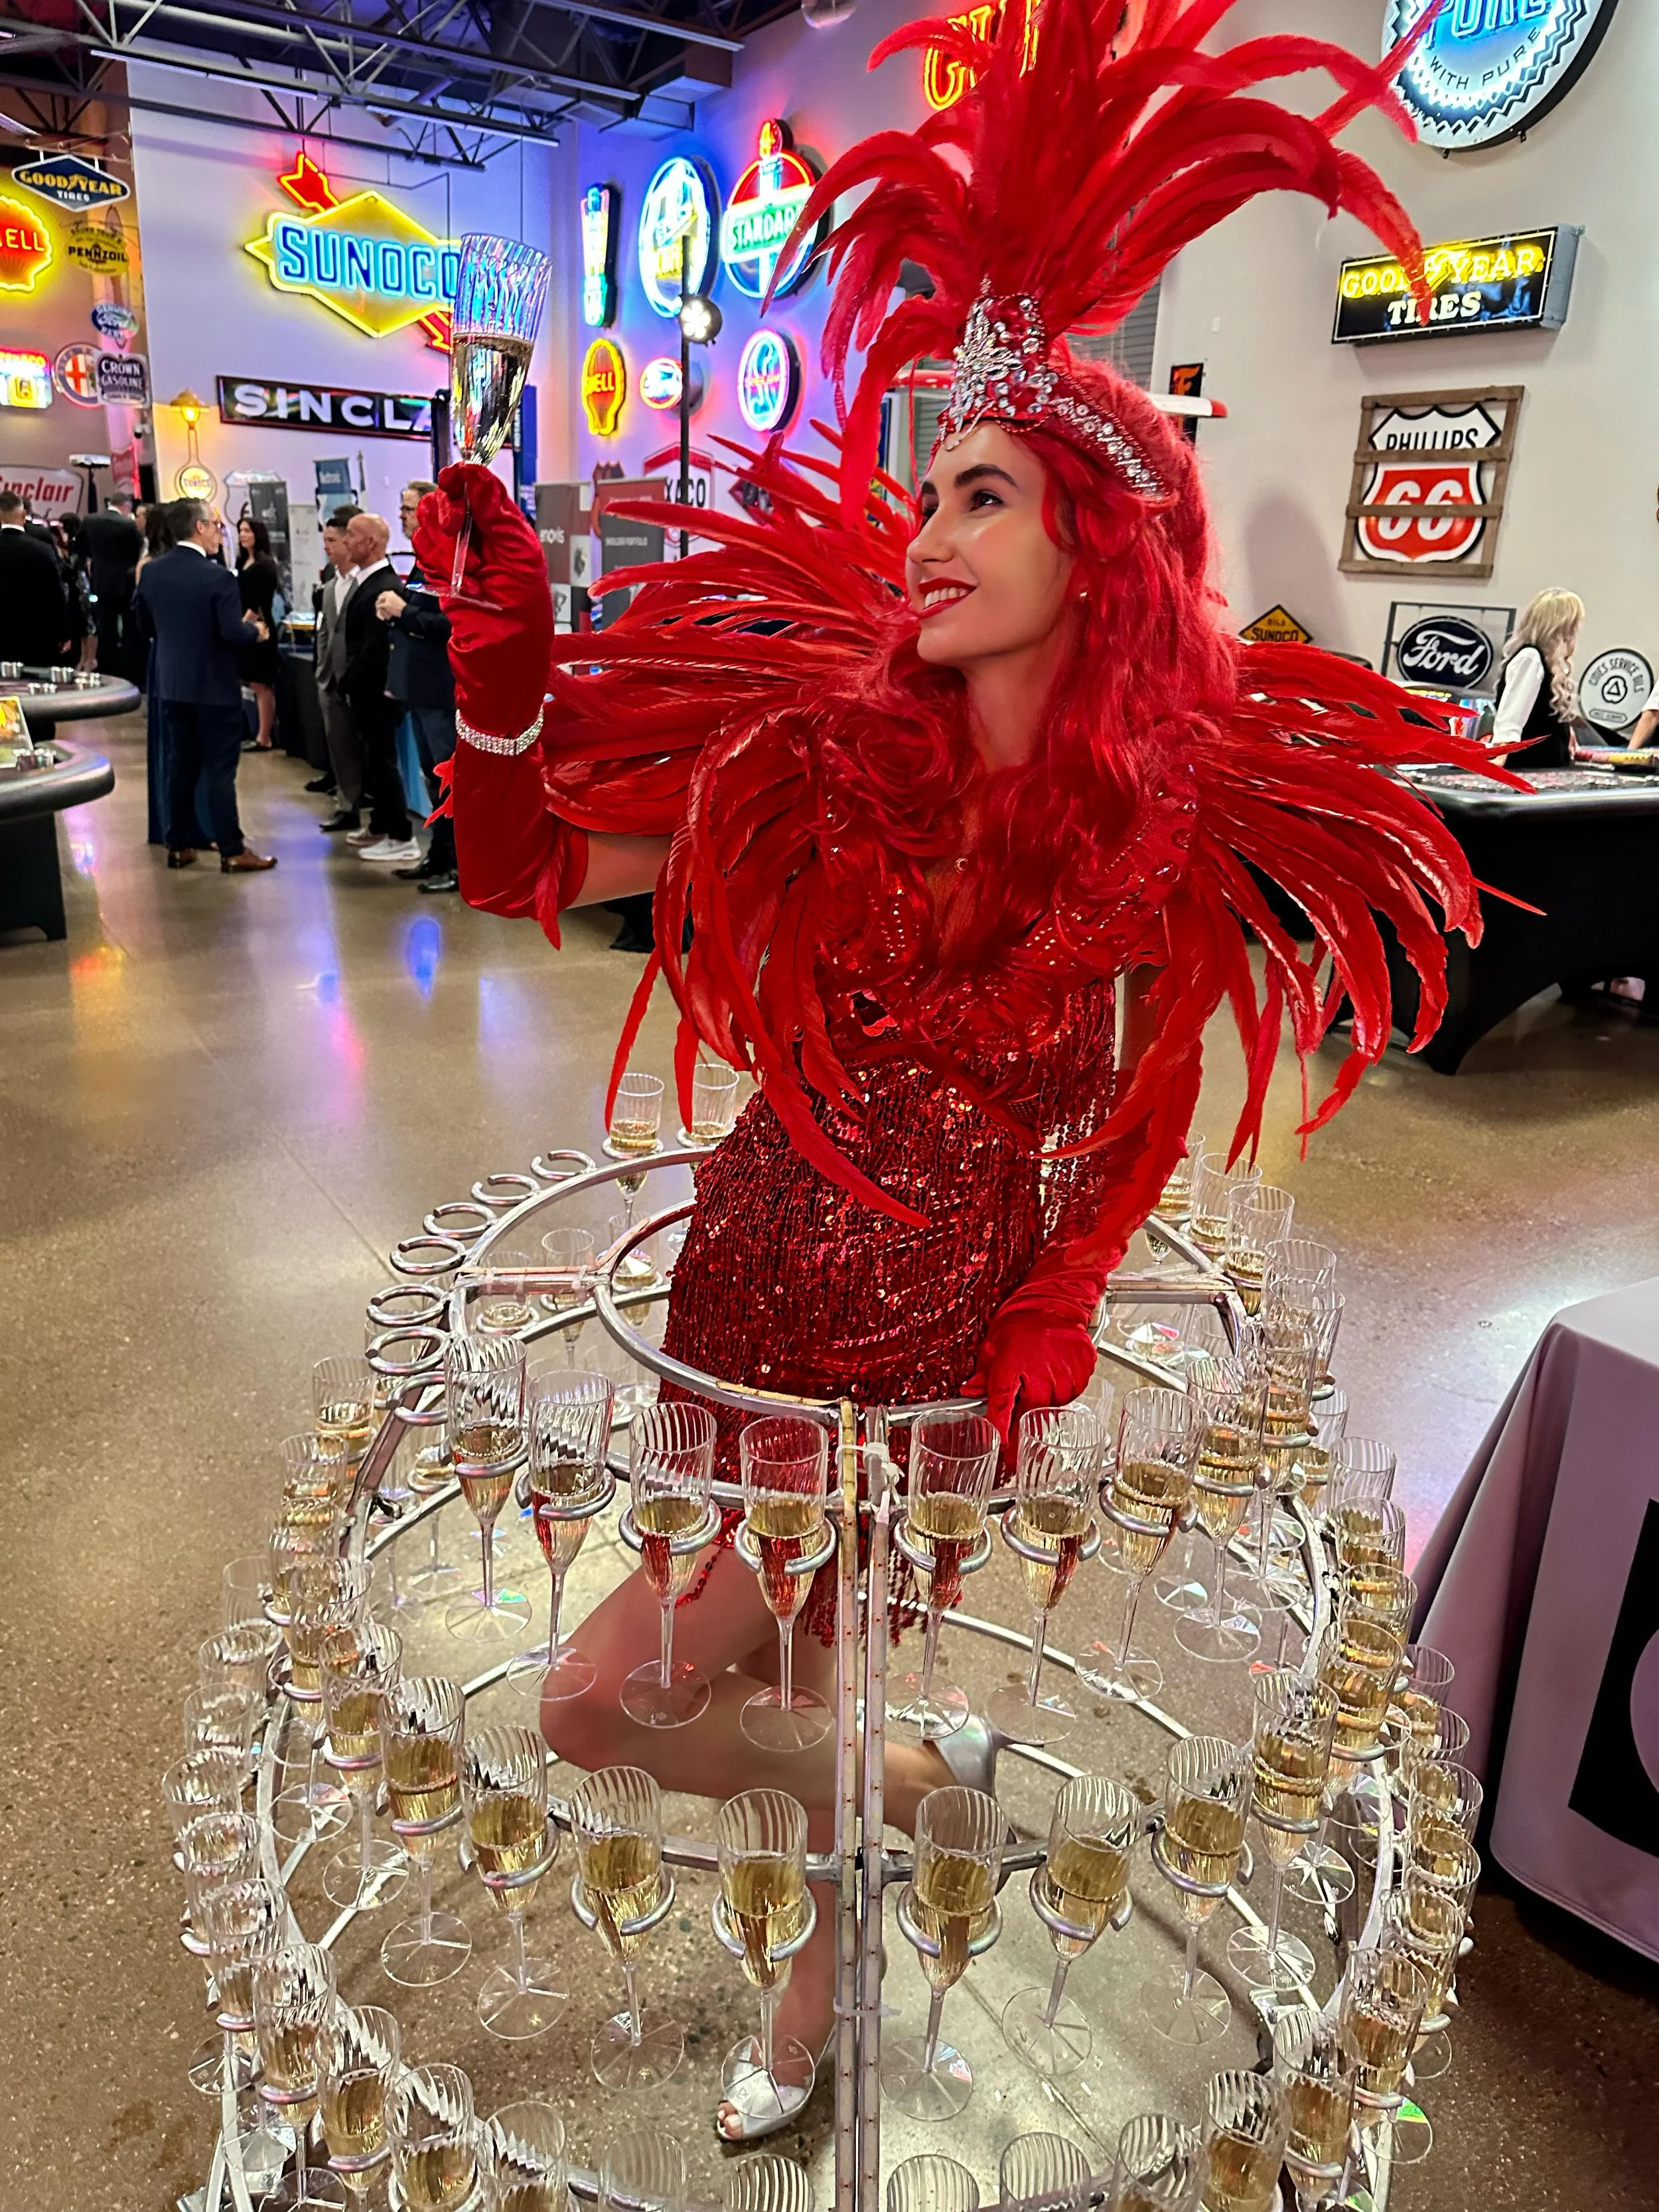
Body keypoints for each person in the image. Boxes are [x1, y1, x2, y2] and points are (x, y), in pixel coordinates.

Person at [415, 0, 1500, 2133]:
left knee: (819, 1672)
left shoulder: (1162, 849)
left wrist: (1061, 1295)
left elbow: (1139, 1118)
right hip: (742, 1329)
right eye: (919, 488)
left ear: (1089, 554)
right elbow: (529, 863)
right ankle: (926, 1787)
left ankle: (815, 2001)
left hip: (920, 1381)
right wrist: (502, 665)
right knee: (599, 1706)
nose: (919, 531)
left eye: (975, 494)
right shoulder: (819, 768)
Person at [134, 498, 277, 873]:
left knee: (180, 765)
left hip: (171, 684)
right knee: (219, 770)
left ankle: (178, 844)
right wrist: (256, 632)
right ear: (199, 527)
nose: (219, 533)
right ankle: (232, 848)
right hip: (214, 688)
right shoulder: (218, 577)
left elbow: (144, 626)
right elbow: (231, 631)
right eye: (215, 525)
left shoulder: (152, 572)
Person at [376, 480, 457, 891]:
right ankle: (440, 856)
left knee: (447, 778)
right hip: (422, 685)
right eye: (402, 508)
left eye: (409, 509)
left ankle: (458, 865)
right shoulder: (426, 559)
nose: (403, 517)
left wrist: (404, 612)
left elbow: (453, 623)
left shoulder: (450, 560)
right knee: (433, 776)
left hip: (441, 688)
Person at [340, 510, 418, 864]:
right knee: (374, 759)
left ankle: (401, 834)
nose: (346, 543)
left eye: (351, 536)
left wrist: (350, 682)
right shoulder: (368, 581)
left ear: (370, 542)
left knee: (383, 761)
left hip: (375, 692)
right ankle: (384, 823)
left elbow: (374, 650)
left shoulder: (384, 586)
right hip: (365, 690)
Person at [1487, 589, 1585, 769]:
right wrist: (1500, 756)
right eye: (1573, 624)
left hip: (1544, 768)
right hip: (1528, 768)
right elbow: (1512, 715)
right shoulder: (1530, 657)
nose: (1575, 631)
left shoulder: (1546, 663)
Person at [315, 504, 366, 832]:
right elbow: (325, 631)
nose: (327, 546)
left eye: (332, 540)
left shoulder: (366, 583)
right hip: (331, 679)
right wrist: (322, 671)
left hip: (359, 679)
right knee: (339, 745)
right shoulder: (331, 584)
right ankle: (347, 806)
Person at [0, 488, 70, 667]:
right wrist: (62, 633)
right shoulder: (43, 550)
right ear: (24, 515)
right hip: (36, 637)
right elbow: (56, 595)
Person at [80, 493, 145, 679]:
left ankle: (108, 670)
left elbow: (81, 548)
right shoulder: (128, 525)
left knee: (105, 627)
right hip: (126, 583)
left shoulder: (90, 521)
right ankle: (128, 670)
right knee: (129, 629)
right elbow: (137, 551)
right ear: (126, 507)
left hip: (100, 581)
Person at [235, 516, 283, 751]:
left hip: (260, 628)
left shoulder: (264, 566)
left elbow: (258, 603)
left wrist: (242, 626)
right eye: (241, 531)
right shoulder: (242, 562)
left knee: (261, 682)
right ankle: (254, 730)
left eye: (247, 531)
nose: (243, 535)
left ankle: (265, 735)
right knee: (251, 682)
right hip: (246, 624)